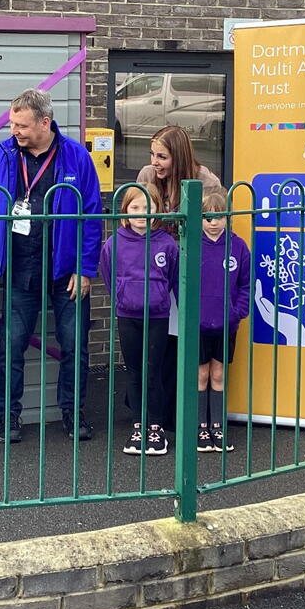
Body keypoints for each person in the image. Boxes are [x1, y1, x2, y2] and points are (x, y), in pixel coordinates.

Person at [0, 88, 103, 445]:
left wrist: (85, 268)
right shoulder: (3, 154)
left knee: (74, 345)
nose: (14, 130)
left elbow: (91, 215)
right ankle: (7, 416)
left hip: (65, 269)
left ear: (45, 123)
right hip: (20, 266)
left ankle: (73, 412)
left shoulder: (76, 156)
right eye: (12, 123)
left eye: (22, 125)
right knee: (11, 346)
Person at [135, 125, 222, 429]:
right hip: (157, 271)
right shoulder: (147, 176)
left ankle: (185, 415)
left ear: (179, 156)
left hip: (191, 272)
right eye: (152, 154)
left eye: (162, 156)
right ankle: (154, 413)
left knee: (185, 343)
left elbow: (214, 227)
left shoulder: (206, 181)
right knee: (158, 344)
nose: (154, 162)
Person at [100, 185, 179, 456]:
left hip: (157, 316)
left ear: (158, 211)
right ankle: (138, 425)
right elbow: (109, 276)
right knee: (134, 372)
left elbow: (173, 278)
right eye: (135, 207)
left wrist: (158, 297)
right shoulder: (114, 243)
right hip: (127, 315)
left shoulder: (167, 244)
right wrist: (122, 297)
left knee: (153, 372)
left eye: (148, 208)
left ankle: (156, 426)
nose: (141, 213)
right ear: (125, 210)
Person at [195, 190, 250, 454]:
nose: (213, 222)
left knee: (218, 375)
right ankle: (200, 427)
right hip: (198, 326)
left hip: (226, 324)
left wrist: (237, 312)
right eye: (207, 217)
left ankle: (218, 426)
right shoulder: (192, 246)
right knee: (201, 375)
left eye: (219, 216)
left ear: (228, 217)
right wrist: (191, 313)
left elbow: (245, 285)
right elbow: (181, 284)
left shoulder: (238, 247)